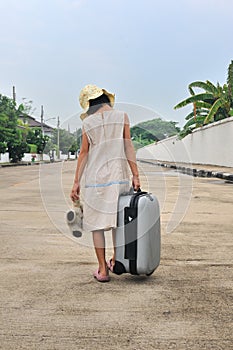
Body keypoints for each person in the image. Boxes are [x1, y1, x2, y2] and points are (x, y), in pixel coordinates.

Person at [70, 84, 140, 282]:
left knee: (97, 226)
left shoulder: (88, 123)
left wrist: (76, 182)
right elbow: (128, 146)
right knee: (118, 222)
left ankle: (102, 270)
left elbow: (84, 153)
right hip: (118, 177)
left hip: (95, 180)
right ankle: (116, 260)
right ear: (106, 99)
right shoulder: (122, 116)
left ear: (89, 103)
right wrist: (135, 175)